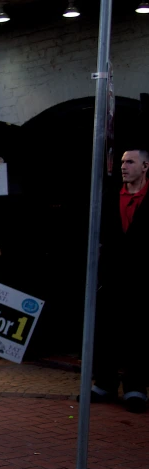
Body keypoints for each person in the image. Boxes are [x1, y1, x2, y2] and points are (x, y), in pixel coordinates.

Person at [88, 148, 149, 413]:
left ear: (145, 166)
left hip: (142, 278)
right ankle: (105, 383)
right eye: (123, 162)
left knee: (138, 332)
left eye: (130, 162)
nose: (124, 166)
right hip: (111, 277)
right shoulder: (110, 196)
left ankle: (136, 388)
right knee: (106, 330)